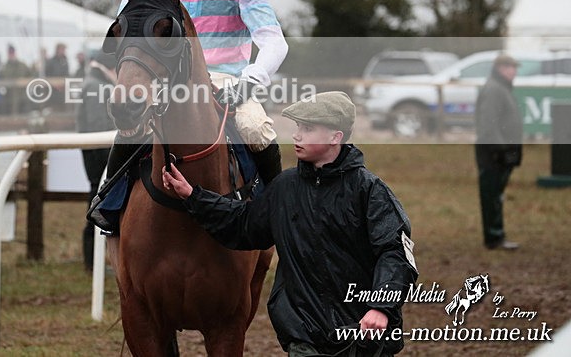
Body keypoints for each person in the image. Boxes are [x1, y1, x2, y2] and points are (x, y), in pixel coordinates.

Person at [96, 0, 289, 232]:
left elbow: (273, 40)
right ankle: (108, 207)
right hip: (166, 78)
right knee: (129, 128)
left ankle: (281, 217)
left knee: (256, 127)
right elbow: (129, 33)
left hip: (228, 81)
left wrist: (250, 80)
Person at [162, 91, 418, 356]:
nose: (297, 135)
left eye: (308, 129)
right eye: (298, 127)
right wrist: (193, 196)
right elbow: (242, 224)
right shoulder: (284, 187)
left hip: (364, 336)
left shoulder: (370, 191)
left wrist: (380, 307)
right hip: (304, 337)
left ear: (335, 137)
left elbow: (396, 254)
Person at [474, 53, 523, 250]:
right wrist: (500, 150)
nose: (514, 71)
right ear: (500, 68)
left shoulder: (502, 88)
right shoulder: (494, 90)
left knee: (497, 195)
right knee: (492, 196)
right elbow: (489, 124)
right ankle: (494, 237)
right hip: (493, 154)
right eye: (511, 67)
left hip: (500, 152)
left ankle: (497, 234)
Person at [76, 49, 117, 270]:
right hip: (98, 154)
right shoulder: (95, 86)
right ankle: (92, 263)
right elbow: (98, 127)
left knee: (97, 201)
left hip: (95, 152)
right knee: (97, 202)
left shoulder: (95, 83)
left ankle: (93, 262)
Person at [0, 44, 33, 114]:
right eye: (10, 53)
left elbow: (31, 76)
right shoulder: (4, 67)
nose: (11, 55)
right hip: (9, 98)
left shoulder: (23, 65)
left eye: (12, 52)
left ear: (15, 53)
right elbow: (0, 80)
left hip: (22, 98)